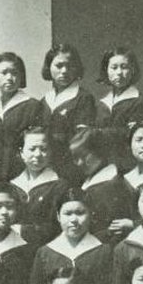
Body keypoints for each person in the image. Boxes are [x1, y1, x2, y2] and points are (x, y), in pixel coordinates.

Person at [27, 189, 113, 284]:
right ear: (58, 216)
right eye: (67, 214)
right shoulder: (45, 253)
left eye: (80, 213)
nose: (73, 220)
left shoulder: (103, 251)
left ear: (90, 214)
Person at [0, 52, 43, 182]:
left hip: (23, 175)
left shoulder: (33, 106)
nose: (9, 78)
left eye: (14, 73)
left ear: (21, 76)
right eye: (4, 73)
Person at [40, 44, 96, 181]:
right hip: (44, 165)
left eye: (70, 66)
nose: (64, 71)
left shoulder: (83, 98)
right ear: (49, 67)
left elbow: (82, 139)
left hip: (70, 167)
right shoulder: (44, 100)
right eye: (59, 66)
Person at [68, 127, 134, 244]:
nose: (79, 163)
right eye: (75, 158)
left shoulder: (110, 186)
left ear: (99, 152)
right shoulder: (90, 182)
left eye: (84, 156)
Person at [9, 126, 70, 246]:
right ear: (21, 152)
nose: (37, 154)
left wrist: (22, 230)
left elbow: (59, 227)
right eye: (32, 149)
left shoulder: (59, 186)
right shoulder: (12, 185)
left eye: (43, 149)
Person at [95, 46, 143, 170]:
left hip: (128, 165)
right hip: (101, 164)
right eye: (114, 67)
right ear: (106, 70)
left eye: (124, 67)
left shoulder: (141, 101)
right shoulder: (101, 103)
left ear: (132, 70)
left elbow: (130, 135)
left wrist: (97, 133)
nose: (119, 73)